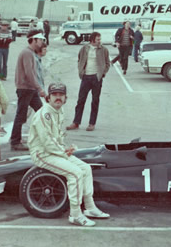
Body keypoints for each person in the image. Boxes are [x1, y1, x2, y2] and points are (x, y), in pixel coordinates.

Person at [28, 82, 110, 226]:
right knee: (75, 173)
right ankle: (75, 214)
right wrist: (64, 153)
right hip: (42, 154)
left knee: (86, 168)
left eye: (61, 95)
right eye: (54, 95)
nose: (58, 98)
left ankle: (90, 208)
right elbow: (47, 141)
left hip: (54, 152)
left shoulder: (59, 111)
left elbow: (57, 137)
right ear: (48, 97)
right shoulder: (44, 114)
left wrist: (65, 149)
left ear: (65, 98)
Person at [10, 30, 46, 151]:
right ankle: (15, 141)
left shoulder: (31, 52)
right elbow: (29, 73)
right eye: (40, 39)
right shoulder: (27, 53)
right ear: (34, 39)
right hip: (25, 89)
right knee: (21, 115)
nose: (42, 42)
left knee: (41, 111)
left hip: (30, 89)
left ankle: (41, 138)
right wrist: (39, 88)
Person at [66, 32, 110, 132]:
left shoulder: (103, 50)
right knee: (80, 100)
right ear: (92, 39)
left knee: (95, 101)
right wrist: (81, 70)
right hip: (86, 77)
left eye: (100, 39)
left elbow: (107, 63)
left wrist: (103, 73)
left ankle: (92, 123)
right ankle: (76, 122)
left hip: (96, 78)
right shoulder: (84, 48)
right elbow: (79, 59)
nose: (100, 41)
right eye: (98, 39)